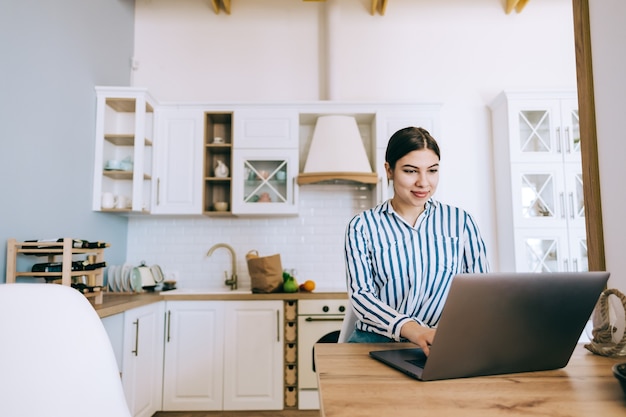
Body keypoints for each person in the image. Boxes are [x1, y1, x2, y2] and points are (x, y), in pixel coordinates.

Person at [344, 126, 490, 355]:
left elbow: (481, 291)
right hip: (375, 343)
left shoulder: (460, 222)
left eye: (432, 171)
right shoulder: (362, 226)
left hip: (441, 342)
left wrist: (450, 332)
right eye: (411, 171)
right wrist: (415, 331)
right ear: (389, 170)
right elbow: (361, 296)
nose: (424, 182)